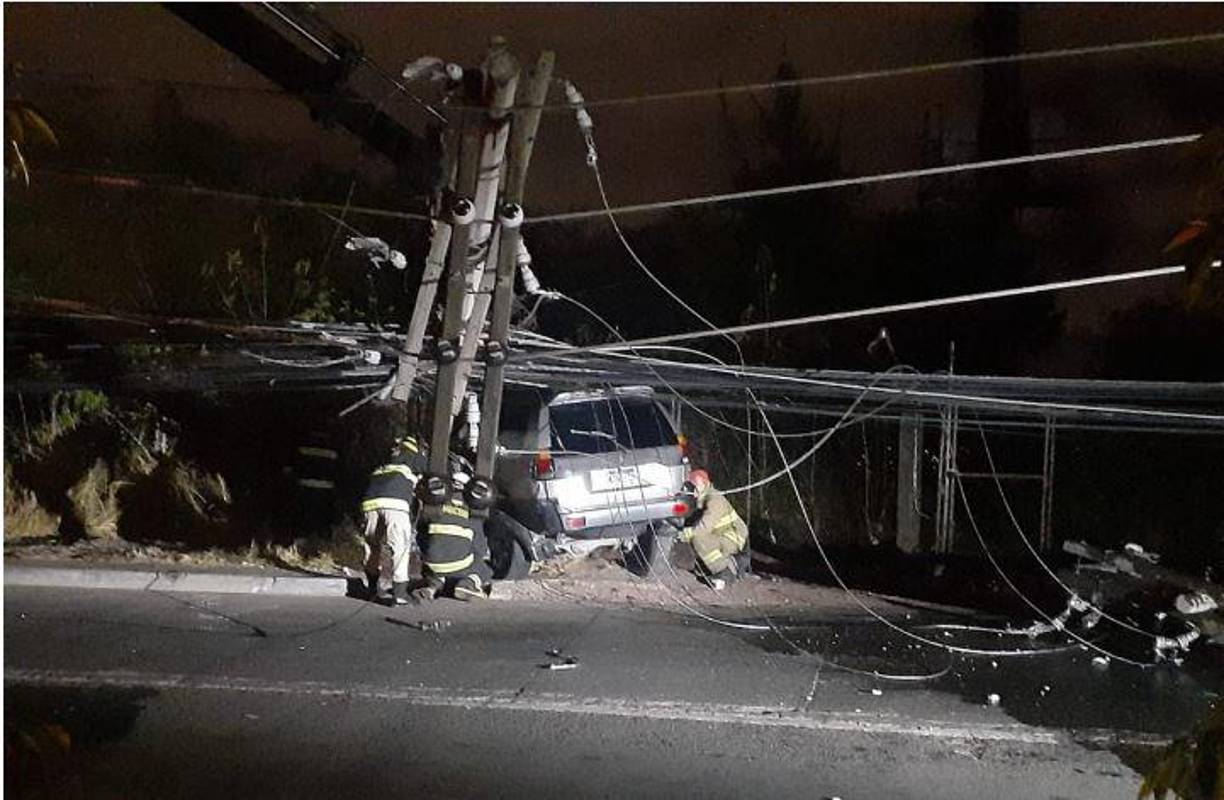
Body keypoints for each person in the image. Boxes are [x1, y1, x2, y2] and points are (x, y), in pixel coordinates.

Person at [361, 434, 428, 605]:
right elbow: (430, 470)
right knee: (400, 547)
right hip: (395, 503)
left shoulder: (387, 459)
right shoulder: (413, 457)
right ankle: (400, 593)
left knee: (372, 546)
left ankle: (372, 588)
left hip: (370, 502)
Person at [418, 472, 493, 602]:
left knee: (436, 565)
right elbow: (479, 546)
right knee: (483, 568)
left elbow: (422, 535)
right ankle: (467, 584)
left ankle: (433, 585)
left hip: (432, 562)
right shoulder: (472, 510)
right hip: (459, 564)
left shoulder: (435, 503)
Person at [677, 468, 750, 591]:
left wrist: (687, 533)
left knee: (698, 539)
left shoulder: (714, 500)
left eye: (692, 488)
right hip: (723, 536)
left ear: (702, 486)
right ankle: (719, 565)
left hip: (734, 538)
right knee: (698, 538)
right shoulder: (702, 501)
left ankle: (726, 571)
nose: (690, 492)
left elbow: (704, 528)